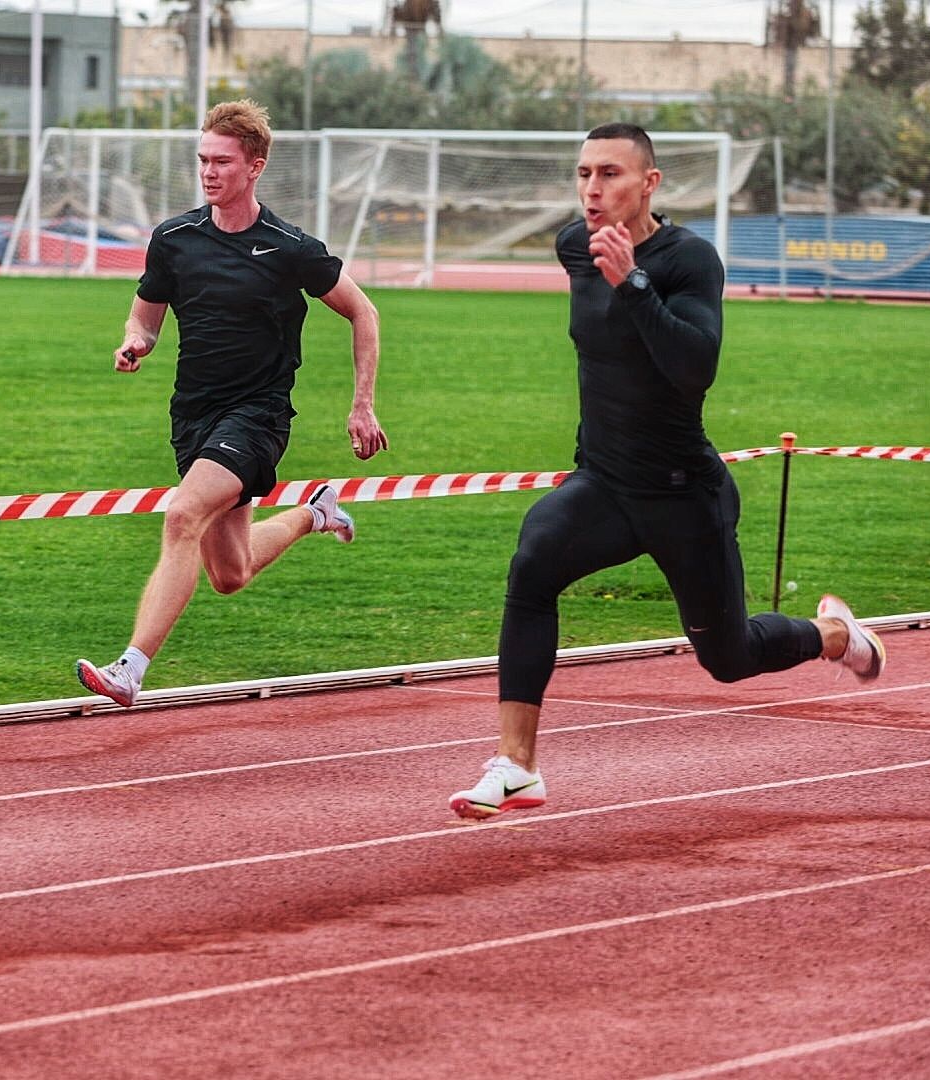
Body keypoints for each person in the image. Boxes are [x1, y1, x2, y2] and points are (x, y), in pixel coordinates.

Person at [448, 122, 885, 821]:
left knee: (729, 657)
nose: (593, 189)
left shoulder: (690, 260)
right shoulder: (573, 247)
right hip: (604, 483)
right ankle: (517, 765)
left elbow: (693, 370)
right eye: (584, 173)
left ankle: (836, 636)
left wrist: (634, 285)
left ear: (649, 183)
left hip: (685, 495)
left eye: (610, 174)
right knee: (531, 567)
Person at [75, 99, 388, 708]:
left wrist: (362, 405)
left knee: (181, 517)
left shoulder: (291, 247)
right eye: (202, 160)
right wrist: (137, 340)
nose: (209, 171)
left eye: (222, 161)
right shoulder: (174, 239)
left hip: (258, 415)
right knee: (230, 573)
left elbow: (363, 311)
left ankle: (130, 669)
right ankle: (314, 515)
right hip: (192, 414)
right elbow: (147, 311)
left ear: (255, 167)